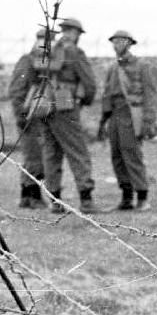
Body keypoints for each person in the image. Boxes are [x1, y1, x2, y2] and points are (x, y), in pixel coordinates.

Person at [37, 17, 98, 214]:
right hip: (65, 105)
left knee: (51, 154)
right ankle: (86, 201)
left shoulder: (48, 49)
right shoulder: (75, 51)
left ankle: (55, 201)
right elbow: (89, 83)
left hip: (44, 105)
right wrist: (85, 100)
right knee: (78, 152)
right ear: (74, 32)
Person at [98, 29, 157, 211]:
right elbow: (107, 95)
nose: (117, 44)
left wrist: (148, 121)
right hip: (115, 115)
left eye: (121, 41)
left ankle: (142, 197)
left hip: (132, 115)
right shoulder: (112, 68)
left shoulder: (142, 66)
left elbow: (151, 95)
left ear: (130, 43)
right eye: (115, 41)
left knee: (132, 155)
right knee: (117, 156)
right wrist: (103, 121)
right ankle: (126, 198)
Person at [7, 27, 51, 208]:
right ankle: (34, 196)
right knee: (35, 156)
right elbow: (16, 90)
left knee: (31, 156)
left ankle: (25, 196)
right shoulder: (27, 61)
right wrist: (21, 114)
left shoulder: (44, 62)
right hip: (28, 116)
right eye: (43, 40)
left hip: (38, 116)